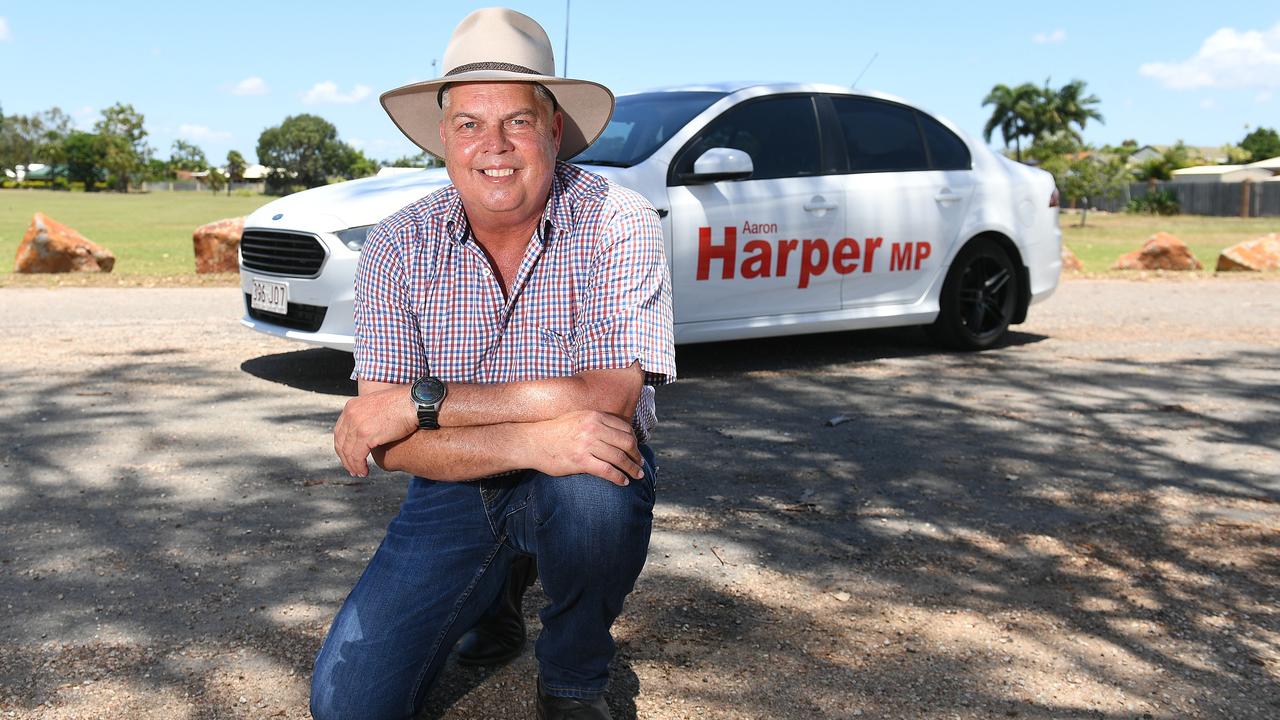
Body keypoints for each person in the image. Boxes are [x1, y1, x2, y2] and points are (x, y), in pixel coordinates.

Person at [310, 8, 675, 720]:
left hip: (575, 467)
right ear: (443, 138)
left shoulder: (616, 219)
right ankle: (496, 596)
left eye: (517, 120)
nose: (494, 145)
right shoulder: (395, 245)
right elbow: (385, 442)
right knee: (347, 708)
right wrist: (526, 438)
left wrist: (424, 402)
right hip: (458, 482)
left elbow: (605, 399)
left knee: (596, 489)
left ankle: (573, 674)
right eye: (470, 124)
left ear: (554, 130)